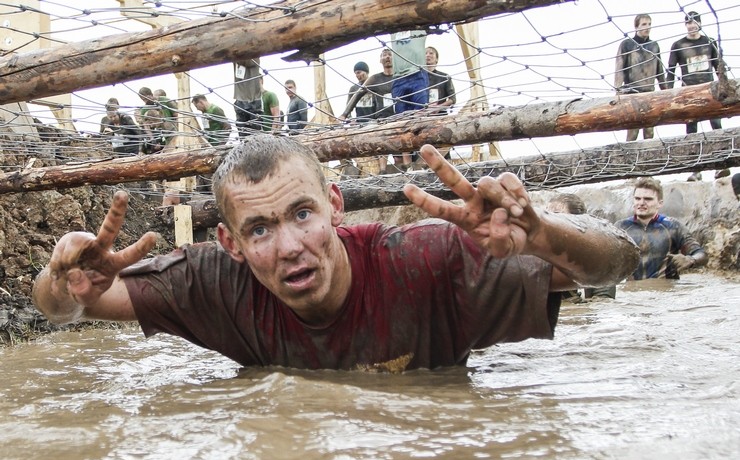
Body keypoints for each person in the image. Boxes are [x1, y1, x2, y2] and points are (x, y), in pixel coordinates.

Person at [32, 135, 639, 372]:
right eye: (261, 229)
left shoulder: (427, 259)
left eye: (302, 215)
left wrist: (541, 235)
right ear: (231, 245)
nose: (292, 245)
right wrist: (66, 283)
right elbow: (63, 311)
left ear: (335, 207)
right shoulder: (209, 283)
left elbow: (621, 260)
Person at [667, 11, 728, 181]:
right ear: (685, 25)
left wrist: (725, 89)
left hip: (710, 91)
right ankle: (696, 170)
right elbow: (670, 71)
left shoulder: (709, 42)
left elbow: (719, 67)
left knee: (716, 127)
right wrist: (667, 93)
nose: (692, 26)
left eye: (695, 22)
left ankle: (721, 166)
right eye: (689, 23)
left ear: (700, 24)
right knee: (692, 131)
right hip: (688, 93)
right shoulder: (678, 45)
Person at [615, 177, 707, 280]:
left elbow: (701, 254)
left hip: (666, 292)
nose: (641, 203)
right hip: (632, 292)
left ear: (660, 203)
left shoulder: (673, 226)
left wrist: (691, 260)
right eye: (637, 198)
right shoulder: (621, 227)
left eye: (648, 199)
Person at [546, 193, 616, 300]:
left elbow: (604, 303)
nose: (549, 221)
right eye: (547, 215)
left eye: (557, 216)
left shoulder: (598, 257)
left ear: (578, 222)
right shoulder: (537, 257)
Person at [339, 49, 396, 174]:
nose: (358, 75)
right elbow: (352, 101)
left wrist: (376, 117)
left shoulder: (375, 83)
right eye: (356, 73)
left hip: (376, 118)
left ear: (366, 72)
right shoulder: (354, 88)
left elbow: (378, 102)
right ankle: (362, 169)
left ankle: (390, 169)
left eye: (359, 72)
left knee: (386, 144)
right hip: (360, 121)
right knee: (364, 148)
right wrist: (346, 115)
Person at [614, 13, 667, 141]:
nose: (647, 27)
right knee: (633, 131)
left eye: (649, 24)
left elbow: (660, 70)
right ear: (636, 26)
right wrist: (617, 91)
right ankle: (629, 158)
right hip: (632, 93)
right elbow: (619, 68)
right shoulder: (627, 44)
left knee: (649, 131)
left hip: (650, 93)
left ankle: (649, 159)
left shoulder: (654, 46)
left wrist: (665, 91)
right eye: (644, 24)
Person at [391, 30, 429, 170]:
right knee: (402, 121)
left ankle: (422, 160)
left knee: (421, 117)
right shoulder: (393, 29)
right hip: (398, 77)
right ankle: (407, 165)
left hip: (417, 73)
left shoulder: (418, 28)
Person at [232, 58, 263, 138]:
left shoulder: (254, 57)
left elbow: (249, 63)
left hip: (253, 99)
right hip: (241, 99)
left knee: (255, 134)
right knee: (243, 134)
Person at [424, 46, 456, 115]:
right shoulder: (417, 79)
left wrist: (439, 107)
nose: (428, 55)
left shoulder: (444, 77)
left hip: (440, 116)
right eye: (425, 53)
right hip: (421, 116)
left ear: (436, 59)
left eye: (431, 53)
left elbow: (453, 99)